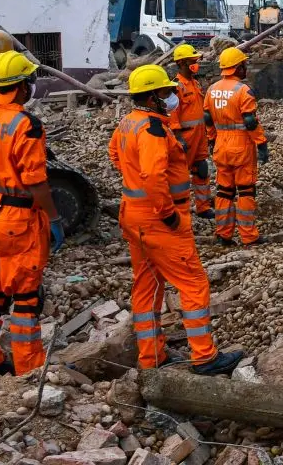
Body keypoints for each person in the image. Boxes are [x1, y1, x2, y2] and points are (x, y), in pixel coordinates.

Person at [109, 65, 242, 375]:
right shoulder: (153, 130)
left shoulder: (128, 123)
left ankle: (151, 355)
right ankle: (204, 357)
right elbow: (154, 175)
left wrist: (137, 183)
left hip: (134, 216)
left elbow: (115, 155)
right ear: (154, 96)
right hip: (160, 219)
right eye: (167, 93)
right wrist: (167, 213)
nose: (173, 97)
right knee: (193, 283)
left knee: (147, 286)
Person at [0, 51, 62, 376]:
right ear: (21, 87)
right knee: (26, 296)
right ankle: (28, 365)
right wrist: (54, 219)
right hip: (20, 220)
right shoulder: (26, 126)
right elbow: (37, 183)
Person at [204, 47, 268, 246]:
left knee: (224, 191)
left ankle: (223, 234)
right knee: (246, 191)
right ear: (237, 67)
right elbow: (250, 121)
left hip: (221, 145)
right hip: (241, 146)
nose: (246, 67)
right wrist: (261, 143)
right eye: (244, 64)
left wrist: (212, 140)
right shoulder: (243, 90)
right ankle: (249, 236)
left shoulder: (212, 89)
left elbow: (207, 118)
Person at [168, 44, 213, 218]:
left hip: (200, 135)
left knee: (202, 170)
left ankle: (203, 207)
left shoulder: (195, 83)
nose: (196, 64)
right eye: (192, 61)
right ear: (181, 64)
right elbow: (173, 113)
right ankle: (176, 209)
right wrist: (178, 137)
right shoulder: (176, 87)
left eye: (196, 61)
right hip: (186, 136)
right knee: (179, 175)